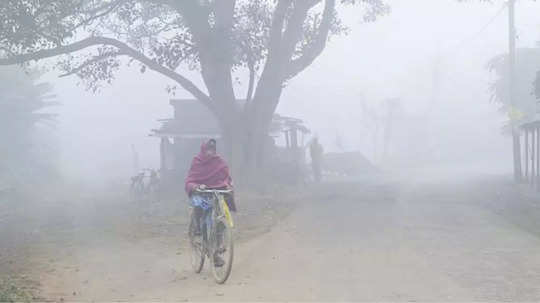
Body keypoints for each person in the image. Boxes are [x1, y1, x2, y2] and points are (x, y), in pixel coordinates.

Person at [185, 139, 235, 266]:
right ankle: (196, 228)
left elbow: (226, 176)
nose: (210, 152)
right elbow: (191, 179)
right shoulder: (197, 161)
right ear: (203, 149)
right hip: (200, 193)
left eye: (212, 150)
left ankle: (216, 251)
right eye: (208, 150)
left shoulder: (219, 162)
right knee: (200, 206)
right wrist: (196, 186)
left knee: (216, 220)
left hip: (215, 191)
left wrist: (229, 185)